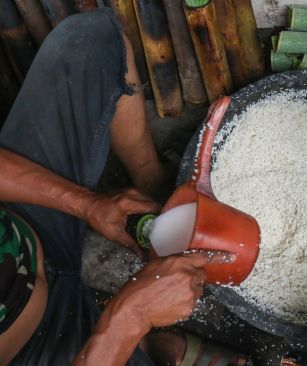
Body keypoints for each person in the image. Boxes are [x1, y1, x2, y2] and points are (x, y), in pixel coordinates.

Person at [0, 8, 247, 366]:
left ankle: (150, 177)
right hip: (34, 353)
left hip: (23, 233)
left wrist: (85, 204)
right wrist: (128, 318)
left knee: (91, 42)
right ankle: (143, 345)